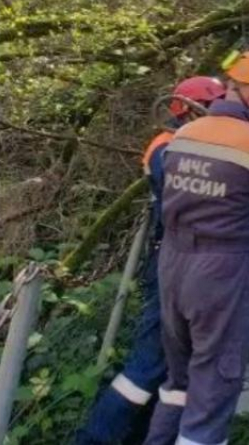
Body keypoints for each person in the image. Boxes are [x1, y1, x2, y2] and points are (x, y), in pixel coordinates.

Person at [143, 51, 249, 445]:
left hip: (172, 264)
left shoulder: (183, 136)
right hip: (220, 273)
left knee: (179, 382)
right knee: (216, 383)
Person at [75, 77, 225, 445]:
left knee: (172, 368)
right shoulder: (167, 148)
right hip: (171, 265)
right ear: (188, 109)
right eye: (214, 103)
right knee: (148, 364)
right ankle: (96, 439)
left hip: (181, 264)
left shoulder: (179, 144)